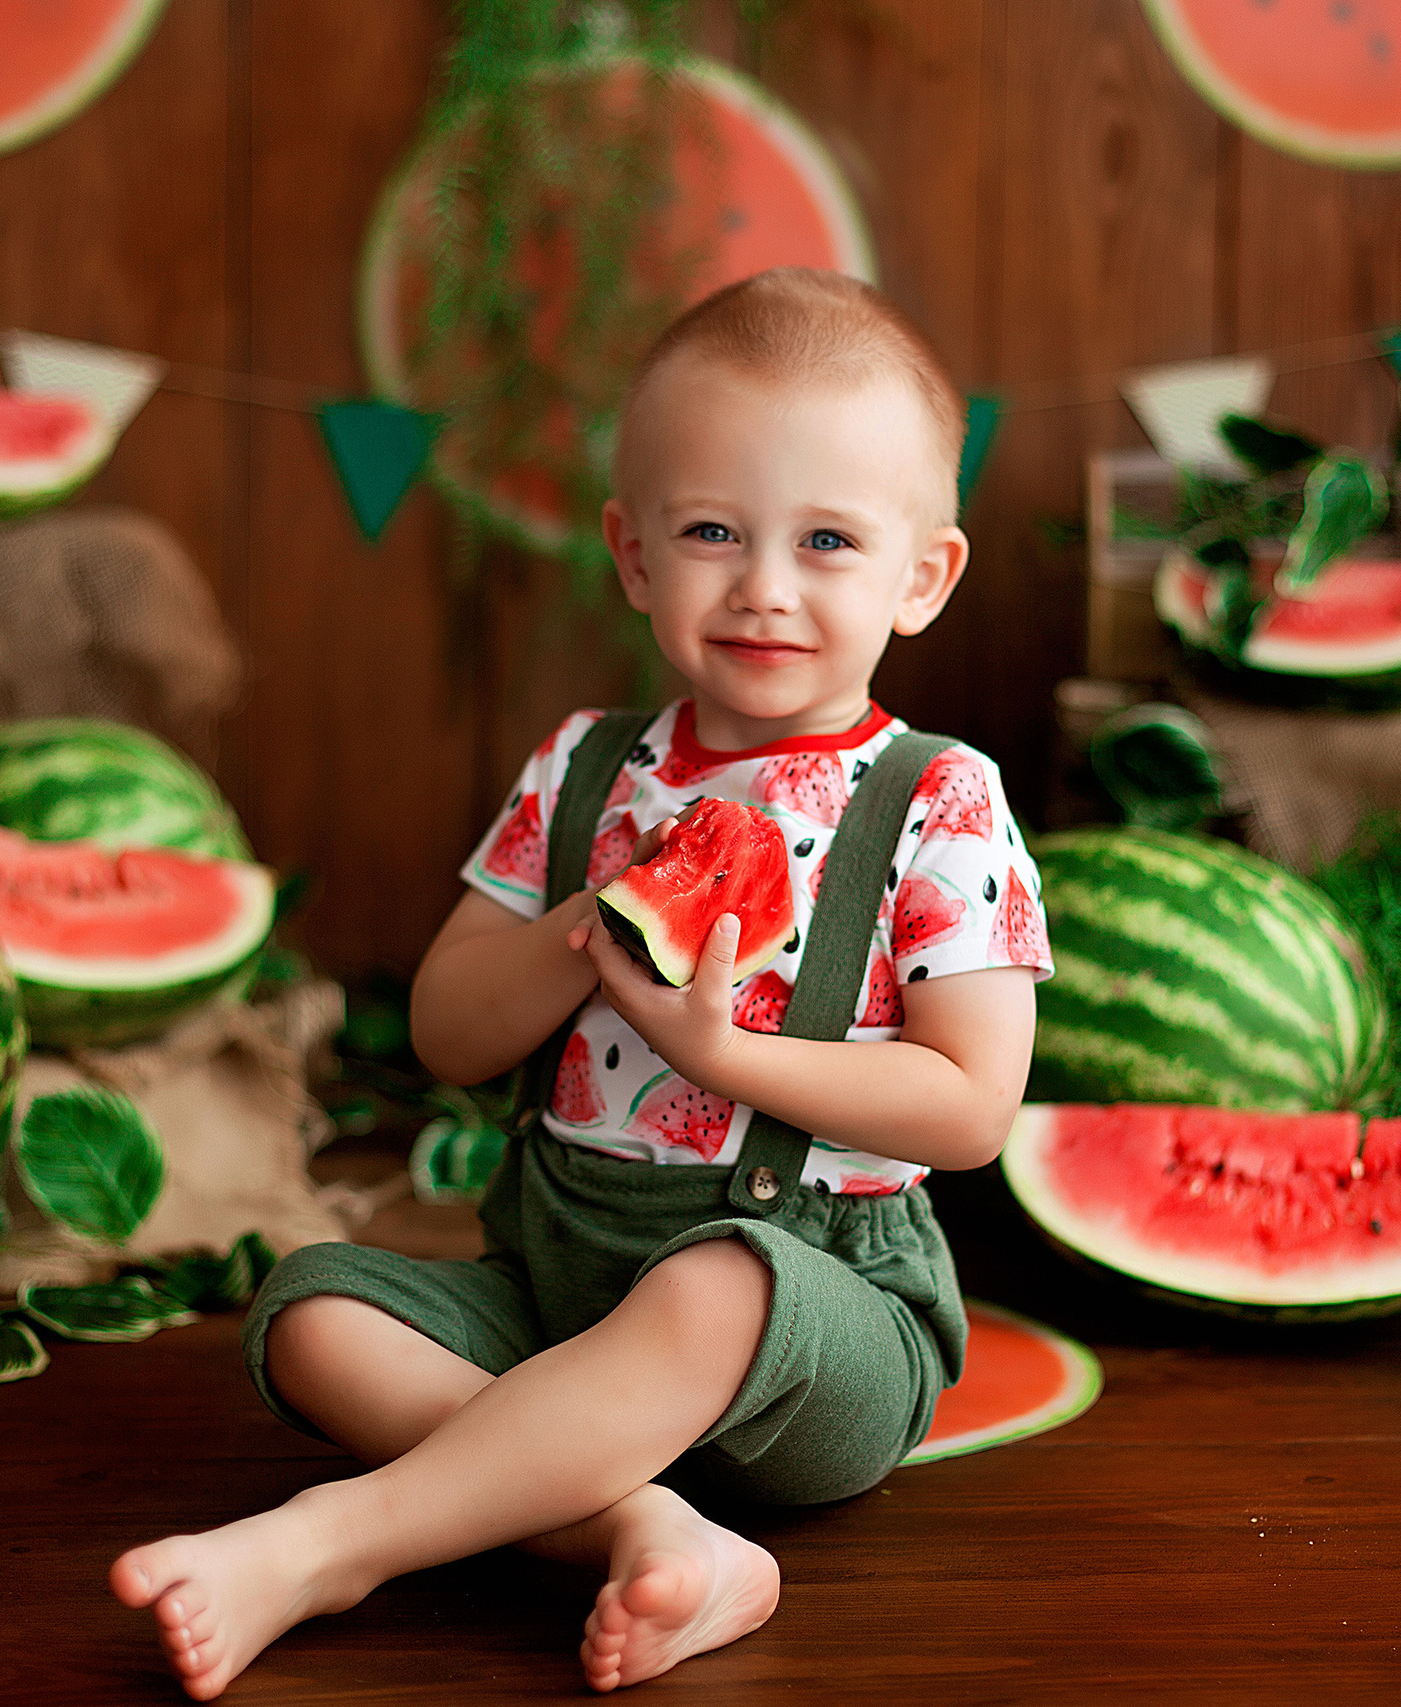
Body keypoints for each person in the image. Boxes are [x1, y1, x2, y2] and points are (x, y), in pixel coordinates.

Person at [109, 267, 1052, 1699]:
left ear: (922, 576)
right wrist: (588, 929)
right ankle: (643, 1526)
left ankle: (327, 1544)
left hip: (816, 1320)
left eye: (830, 542)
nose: (764, 587)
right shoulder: (585, 770)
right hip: (557, 1285)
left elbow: (971, 1108)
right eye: (713, 532)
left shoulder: (939, 801)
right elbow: (445, 1030)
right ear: (632, 554)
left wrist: (723, 1056)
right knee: (310, 1316)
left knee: (720, 1284)